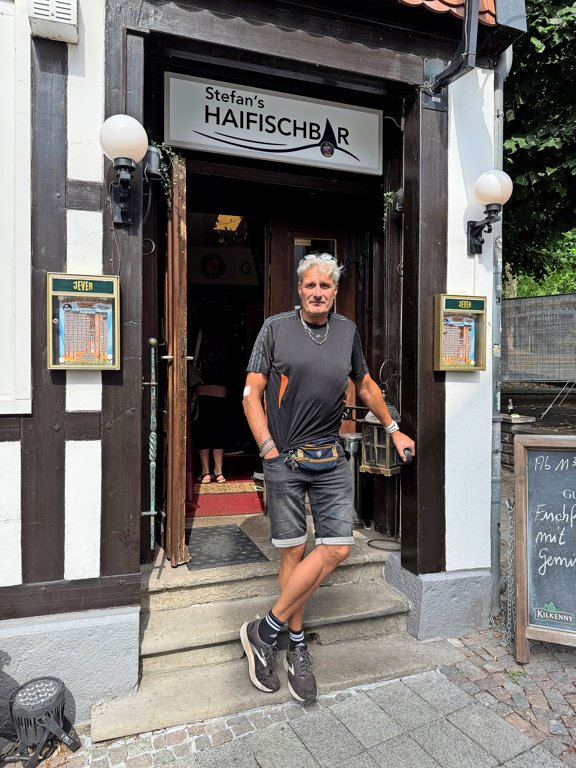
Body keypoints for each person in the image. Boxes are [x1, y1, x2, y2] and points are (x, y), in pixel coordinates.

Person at [239, 252, 415, 703]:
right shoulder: (275, 329)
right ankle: (295, 644)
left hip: (330, 458)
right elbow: (251, 394)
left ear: (336, 291)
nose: (317, 293)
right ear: (299, 289)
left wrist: (393, 429)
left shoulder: (347, 332)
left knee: (336, 547)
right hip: (285, 459)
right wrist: (267, 447)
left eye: (325, 286)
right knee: (295, 551)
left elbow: (366, 385)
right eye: (310, 285)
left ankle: (265, 630)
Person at [193, 314, 230, 484]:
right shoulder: (225, 337)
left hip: (202, 388)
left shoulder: (198, 335)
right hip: (221, 389)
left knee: (202, 430)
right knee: (218, 430)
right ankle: (219, 471)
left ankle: (205, 472)